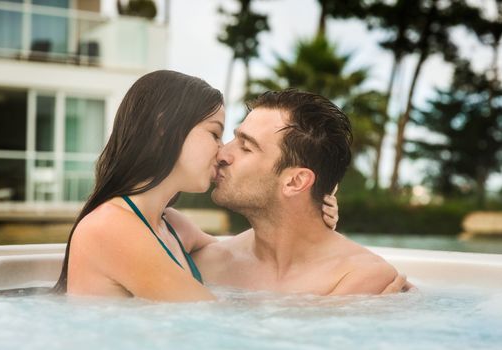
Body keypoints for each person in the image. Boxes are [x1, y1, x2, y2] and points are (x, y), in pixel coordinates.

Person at [52, 71, 340, 302]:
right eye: (215, 133)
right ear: (164, 128)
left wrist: (307, 213)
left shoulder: (172, 226)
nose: (222, 151)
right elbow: (209, 322)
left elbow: (239, 254)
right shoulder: (111, 228)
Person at [184, 89, 411, 295]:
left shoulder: (359, 277)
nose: (222, 154)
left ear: (295, 182)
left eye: (246, 147)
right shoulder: (208, 261)